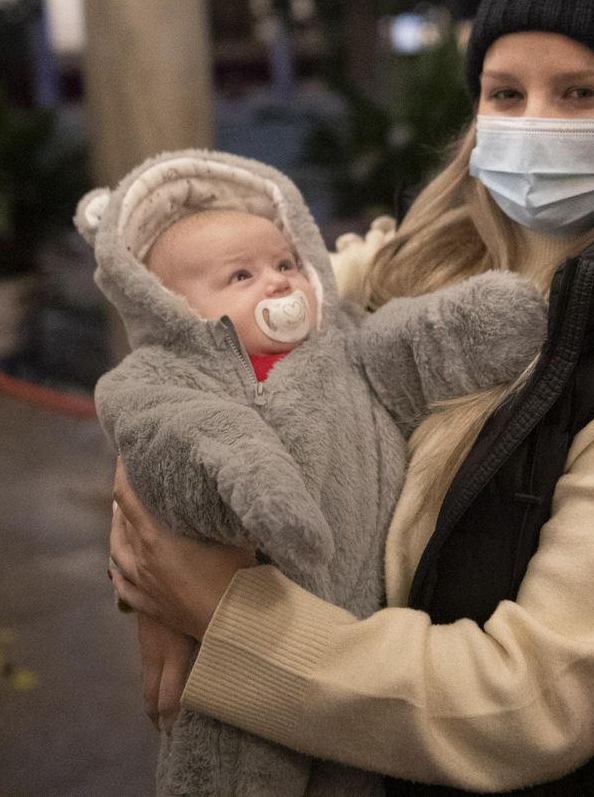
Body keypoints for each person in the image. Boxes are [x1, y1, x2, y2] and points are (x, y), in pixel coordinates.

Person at [107, 0, 594, 795]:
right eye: (505, 91)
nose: (534, 119)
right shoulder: (420, 251)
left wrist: (221, 617)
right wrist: (154, 519)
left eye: (580, 92)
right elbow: (206, 347)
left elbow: (529, 703)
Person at [83, 150, 546, 797]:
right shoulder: (162, 378)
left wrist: (484, 326)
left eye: (287, 263)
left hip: (361, 641)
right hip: (232, 654)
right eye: (241, 275)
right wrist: (245, 488)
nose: (279, 283)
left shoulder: (345, 342)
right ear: (167, 305)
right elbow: (178, 437)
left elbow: (408, 347)